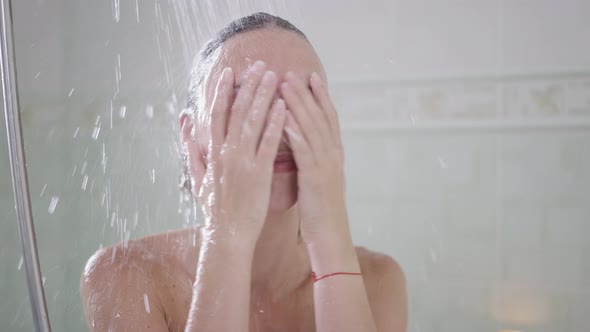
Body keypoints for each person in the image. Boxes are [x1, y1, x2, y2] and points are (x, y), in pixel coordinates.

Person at [81, 12, 407, 332]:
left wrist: (330, 235)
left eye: (301, 97)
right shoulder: (125, 275)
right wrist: (228, 235)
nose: (278, 127)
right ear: (190, 135)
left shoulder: (379, 280)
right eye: (246, 100)